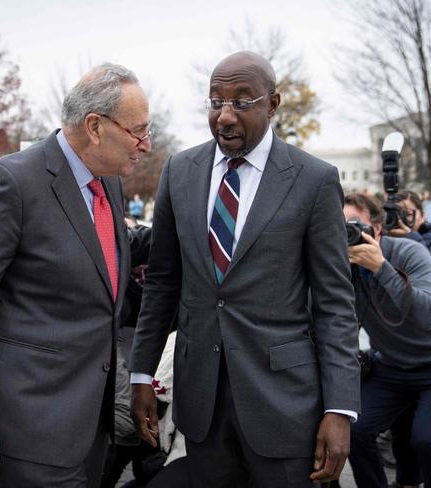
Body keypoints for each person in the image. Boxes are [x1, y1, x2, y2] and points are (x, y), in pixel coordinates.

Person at [129, 51, 360, 487]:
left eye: (241, 101)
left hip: (286, 407)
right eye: (215, 102)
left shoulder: (313, 179)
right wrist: (141, 374)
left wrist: (340, 409)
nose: (225, 116)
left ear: (272, 104)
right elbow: (162, 283)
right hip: (201, 404)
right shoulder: (180, 171)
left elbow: (334, 304)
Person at [0, 63, 152, 487]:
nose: (145, 143)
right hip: (25, 432)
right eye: (138, 130)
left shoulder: (108, 183)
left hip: (88, 427)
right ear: (95, 127)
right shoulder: (12, 182)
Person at [343, 192, 431, 488]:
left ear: (377, 228)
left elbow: (427, 316)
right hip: (390, 366)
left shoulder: (409, 253)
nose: (347, 234)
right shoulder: (341, 264)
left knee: (429, 440)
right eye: (340, 227)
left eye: (354, 224)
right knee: (352, 429)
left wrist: (381, 268)